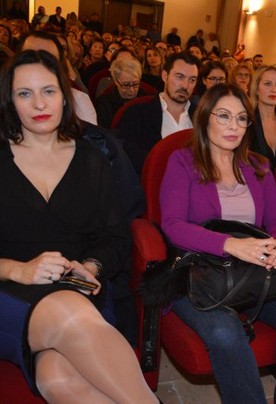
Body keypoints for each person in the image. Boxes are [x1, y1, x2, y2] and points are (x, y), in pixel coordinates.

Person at [0, 49, 157, 403]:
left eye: (49, 91)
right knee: (67, 312)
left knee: (57, 380)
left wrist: (90, 266)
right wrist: (19, 270)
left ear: (65, 96)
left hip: (79, 290)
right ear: (10, 101)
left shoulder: (91, 159)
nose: (39, 103)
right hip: (9, 291)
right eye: (24, 93)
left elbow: (115, 237)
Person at [159, 83, 276, 403]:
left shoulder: (258, 166)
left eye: (242, 118)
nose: (234, 126)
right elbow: (172, 226)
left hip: (253, 272)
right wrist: (230, 244)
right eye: (224, 116)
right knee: (225, 332)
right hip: (199, 274)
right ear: (205, 118)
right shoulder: (183, 161)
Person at [119, 52, 200, 173]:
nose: (185, 85)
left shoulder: (202, 117)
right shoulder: (137, 114)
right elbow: (128, 158)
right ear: (164, 76)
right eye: (180, 77)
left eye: (192, 80)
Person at [95, 58, 146, 128]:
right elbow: (105, 131)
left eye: (135, 84)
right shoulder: (104, 102)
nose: (131, 90)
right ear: (115, 81)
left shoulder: (147, 99)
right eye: (126, 85)